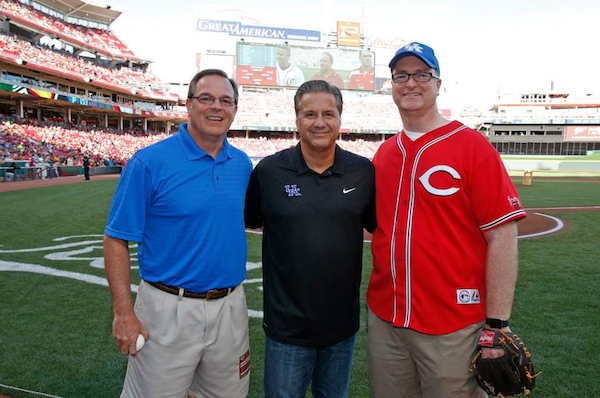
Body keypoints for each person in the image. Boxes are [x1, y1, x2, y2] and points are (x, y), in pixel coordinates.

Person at [366, 42, 527, 397]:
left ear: (438, 84)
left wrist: (497, 326)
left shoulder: (473, 147)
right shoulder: (385, 153)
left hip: (453, 327)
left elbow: (502, 236)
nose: (411, 83)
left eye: (422, 75)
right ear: (392, 84)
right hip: (386, 321)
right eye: (401, 76)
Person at [103, 69, 252, 398]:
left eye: (226, 100)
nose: (216, 107)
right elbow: (115, 239)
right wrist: (123, 314)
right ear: (188, 105)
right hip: (166, 308)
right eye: (206, 98)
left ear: (235, 109)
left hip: (230, 306)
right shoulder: (149, 163)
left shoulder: (241, 164)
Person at [245, 80, 376, 398]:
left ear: (340, 119)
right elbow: (251, 221)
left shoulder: (363, 172)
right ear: (297, 119)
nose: (320, 122)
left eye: (328, 114)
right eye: (310, 114)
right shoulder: (269, 171)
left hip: (341, 328)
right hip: (286, 330)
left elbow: (379, 228)